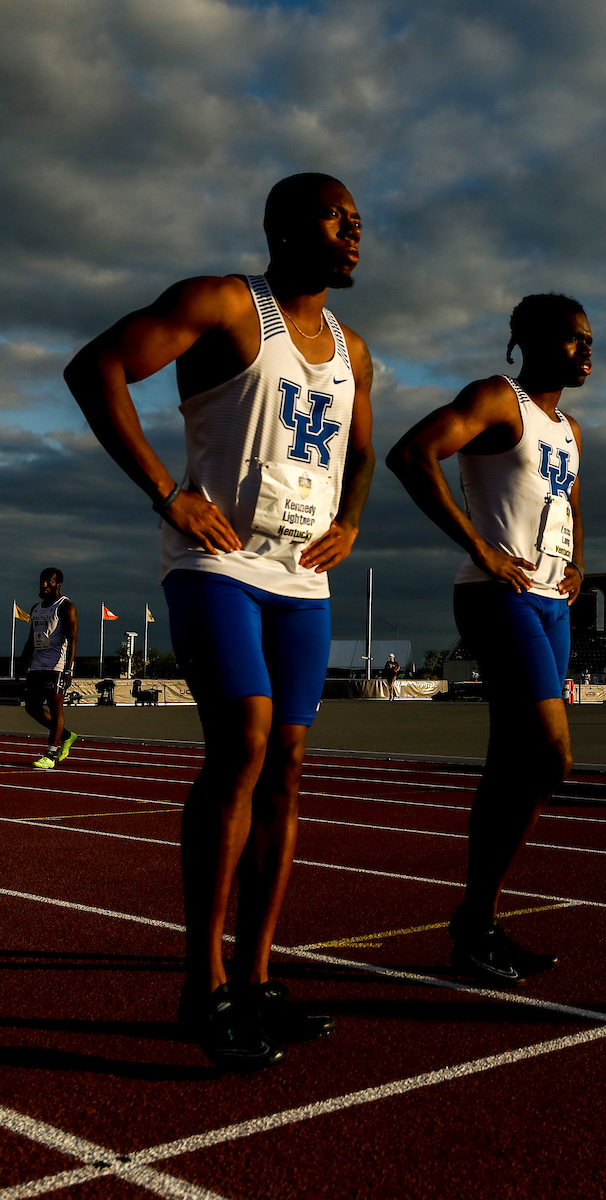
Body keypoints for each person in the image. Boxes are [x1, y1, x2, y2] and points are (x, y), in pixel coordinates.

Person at [64, 172, 375, 1069]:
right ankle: (200, 985)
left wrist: (350, 523)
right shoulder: (226, 303)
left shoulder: (353, 350)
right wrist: (168, 493)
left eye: (360, 220)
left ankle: (256, 978)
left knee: (287, 763)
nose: (354, 229)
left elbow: (359, 452)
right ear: (283, 227)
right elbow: (97, 368)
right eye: (335, 215)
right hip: (215, 562)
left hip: (300, 578)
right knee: (243, 736)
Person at [387, 292, 589, 987]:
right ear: (529, 342)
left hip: (550, 603)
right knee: (550, 755)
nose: (586, 351)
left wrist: (578, 561)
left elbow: (567, 499)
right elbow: (412, 455)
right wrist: (480, 545)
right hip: (495, 594)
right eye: (571, 339)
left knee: (515, 765)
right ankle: (474, 920)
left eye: (589, 340)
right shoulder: (498, 401)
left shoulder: (569, 430)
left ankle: (476, 925)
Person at [19, 568, 79, 769]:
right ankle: (66, 736)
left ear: (58, 584)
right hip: (37, 666)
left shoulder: (65, 607)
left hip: (56, 666)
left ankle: (50, 755)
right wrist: (23, 660)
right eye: (42, 581)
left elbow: (72, 639)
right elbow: (31, 638)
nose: (44, 585)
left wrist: (69, 669)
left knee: (55, 708)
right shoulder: (36, 608)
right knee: (32, 707)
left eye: (49, 582)